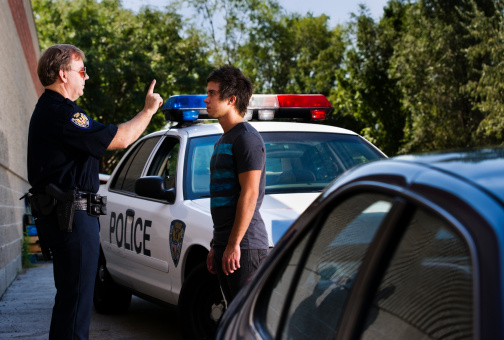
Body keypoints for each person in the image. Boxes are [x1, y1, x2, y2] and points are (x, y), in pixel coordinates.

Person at [27, 44, 163, 340]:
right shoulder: (63, 114)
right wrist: (149, 110)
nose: (86, 77)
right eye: (82, 71)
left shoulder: (52, 111)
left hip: (69, 217)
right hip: (71, 219)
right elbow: (122, 138)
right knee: (75, 307)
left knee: (70, 303)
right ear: (64, 75)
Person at [204, 65, 269, 304]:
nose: (206, 98)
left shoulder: (247, 139)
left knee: (245, 321)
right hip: (227, 243)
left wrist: (233, 245)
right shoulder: (223, 140)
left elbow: (250, 195)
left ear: (231, 99)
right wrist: (216, 245)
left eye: (212, 93)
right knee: (232, 316)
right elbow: (225, 199)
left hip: (246, 247)